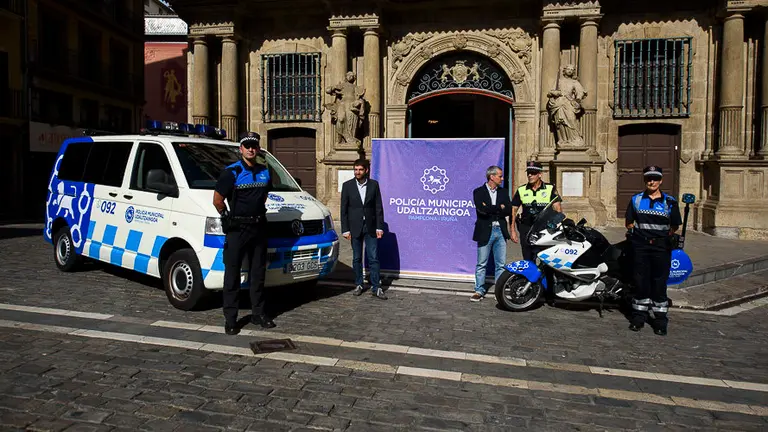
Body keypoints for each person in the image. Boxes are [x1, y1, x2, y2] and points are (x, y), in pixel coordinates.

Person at [213, 132, 275, 335]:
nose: (251, 149)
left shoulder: (265, 171)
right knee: (232, 275)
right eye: (247, 146)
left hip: (259, 228)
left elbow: (264, 196)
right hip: (238, 230)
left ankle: (258, 313)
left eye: (254, 146)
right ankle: (231, 319)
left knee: (258, 274)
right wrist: (226, 217)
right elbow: (217, 199)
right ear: (240, 149)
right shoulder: (231, 172)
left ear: (258, 149)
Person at [625, 165, 682, 336]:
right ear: (645, 180)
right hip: (641, 246)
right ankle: (638, 317)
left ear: (661, 181)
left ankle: (660, 320)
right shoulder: (636, 200)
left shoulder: (669, 202)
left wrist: (659, 237)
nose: (652, 181)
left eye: (655, 178)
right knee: (640, 282)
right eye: (649, 178)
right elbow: (629, 222)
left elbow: (674, 226)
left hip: (660, 247)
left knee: (659, 283)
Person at [340, 159, 387, 300]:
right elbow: (343, 210)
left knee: (373, 258)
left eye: (360, 170)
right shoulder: (347, 186)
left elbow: (378, 207)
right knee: (356, 258)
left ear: (366, 170)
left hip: (371, 226)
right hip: (354, 227)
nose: (357, 172)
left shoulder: (374, 185)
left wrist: (380, 226)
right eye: (355, 169)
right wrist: (345, 229)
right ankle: (359, 284)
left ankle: (376, 287)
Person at [471, 165, 513, 302]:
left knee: (500, 264)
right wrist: (498, 208)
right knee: (482, 263)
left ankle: (499, 291)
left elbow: (507, 210)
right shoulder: (478, 192)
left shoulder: (503, 192)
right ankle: (479, 290)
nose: (502, 178)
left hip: (500, 231)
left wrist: (491, 208)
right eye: (500, 176)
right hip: (485, 231)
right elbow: (481, 210)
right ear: (492, 177)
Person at [510, 161, 562, 261]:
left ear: (539, 174)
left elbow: (558, 209)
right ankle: (530, 277)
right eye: (528, 173)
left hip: (545, 229)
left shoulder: (550, 188)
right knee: (528, 259)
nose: (530, 175)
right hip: (527, 229)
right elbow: (513, 211)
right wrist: (512, 230)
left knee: (546, 260)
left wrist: (557, 227)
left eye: (533, 173)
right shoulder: (521, 190)